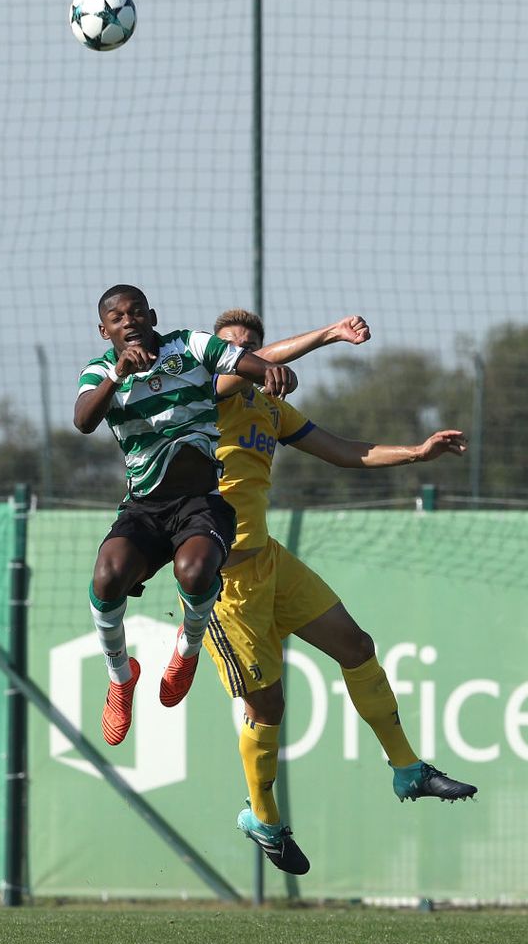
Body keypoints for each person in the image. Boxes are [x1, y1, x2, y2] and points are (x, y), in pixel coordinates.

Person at [201, 307, 477, 876]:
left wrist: (416, 454)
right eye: (236, 345)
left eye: (252, 342)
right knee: (269, 704)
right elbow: (236, 368)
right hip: (221, 580)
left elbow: (347, 450)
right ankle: (263, 817)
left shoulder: (269, 409)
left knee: (357, 647)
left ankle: (407, 770)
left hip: (270, 563)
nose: (247, 350)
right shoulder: (205, 394)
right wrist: (326, 335)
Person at [73, 285, 298, 747]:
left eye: (136, 312)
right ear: (104, 330)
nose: (128, 320)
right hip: (144, 507)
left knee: (195, 572)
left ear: (151, 315)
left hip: (200, 500)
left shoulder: (188, 346)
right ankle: (120, 679)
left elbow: (242, 362)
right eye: (117, 317)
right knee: (105, 577)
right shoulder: (100, 372)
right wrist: (117, 375)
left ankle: (187, 649)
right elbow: (83, 420)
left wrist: (269, 370)